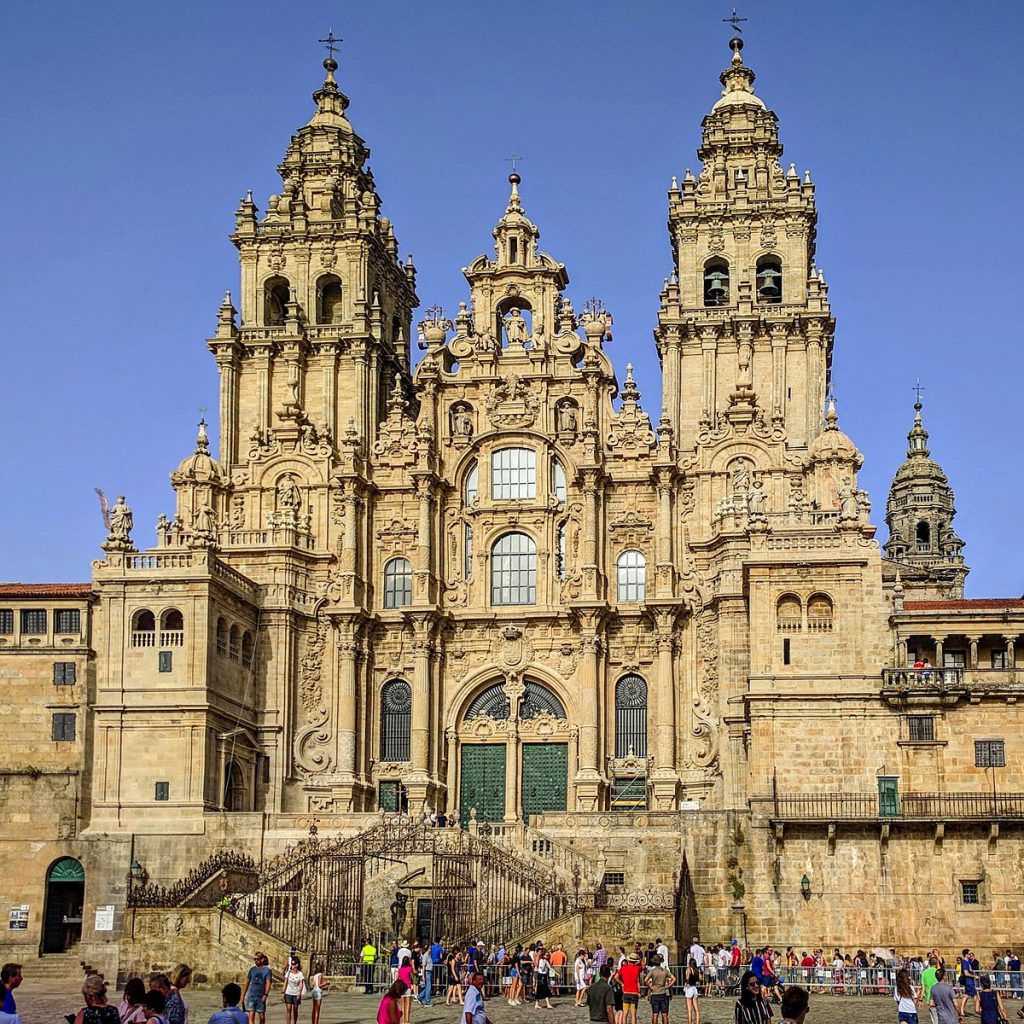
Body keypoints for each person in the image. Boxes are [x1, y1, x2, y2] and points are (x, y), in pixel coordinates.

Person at [644, 955, 675, 1024]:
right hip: (663, 992)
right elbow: (674, 978)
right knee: (664, 1014)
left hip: (655, 992)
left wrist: (650, 987)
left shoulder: (652, 971)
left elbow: (646, 980)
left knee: (655, 1013)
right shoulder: (665, 970)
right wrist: (668, 986)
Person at [242, 953, 272, 1024]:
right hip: (251, 995)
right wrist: (243, 995)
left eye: (257, 959)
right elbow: (247, 982)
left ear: (262, 959)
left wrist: (266, 994)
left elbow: (268, 983)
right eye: (254, 959)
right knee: (251, 1016)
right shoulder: (252, 970)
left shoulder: (266, 970)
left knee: (262, 1017)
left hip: (261, 996)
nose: (255, 961)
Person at [618, 953, 643, 1024]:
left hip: (626, 992)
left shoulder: (623, 968)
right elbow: (643, 966)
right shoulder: (637, 968)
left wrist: (622, 983)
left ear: (629, 960)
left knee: (625, 1013)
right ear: (635, 961)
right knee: (633, 1014)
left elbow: (616, 977)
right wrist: (639, 960)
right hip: (634, 993)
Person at [281, 957, 304, 1024]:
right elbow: (285, 983)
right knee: (288, 1008)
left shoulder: (300, 974)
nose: (292, 966)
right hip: (288, 993)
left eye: (293, 964)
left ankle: (295, 1022)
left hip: (296, 993)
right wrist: (283, 992)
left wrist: (299, 993)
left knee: (295, 1009)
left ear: (297, 965)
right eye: (291, 964)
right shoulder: (288, 973)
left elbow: (301, 984)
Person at [958, 949, 978, 1021]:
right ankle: (978, 1009)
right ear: (966, 955)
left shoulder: (968, 961)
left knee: (966, 996)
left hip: (970, 982)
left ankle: (962, 1011)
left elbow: (974, 961)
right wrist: (974, 976)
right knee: (975, 995)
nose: (971, 955)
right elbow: (966, 973)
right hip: (969, 982)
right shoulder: (965, 963)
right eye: (969, 954)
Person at [397, 956, 416, 1024]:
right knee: (408, 1005)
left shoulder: (400, 969)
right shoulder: (409, 968)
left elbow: (397, 978)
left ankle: (402, 1020)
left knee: (402, 1005)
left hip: (401, 988)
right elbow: (414, 973)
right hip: (407, 987)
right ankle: (407, 1021)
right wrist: (412, 964)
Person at [919, 957, 939, 1024]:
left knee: (934, 1019)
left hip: (929, 999)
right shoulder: (938, 972)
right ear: (936, 963)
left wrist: (921, 999)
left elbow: (923, 988)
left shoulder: (924, 973)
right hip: (939, 998)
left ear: (929, 963)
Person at [682, 958, 701, 1024]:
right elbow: (698, 980)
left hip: (689, 988)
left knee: (689, 1009)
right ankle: (697, 1022)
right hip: (694, 988)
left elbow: (687, 978)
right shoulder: (696, 970)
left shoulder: (689, 969)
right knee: (697, 1009)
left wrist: (686, 984)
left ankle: (689, 1022)